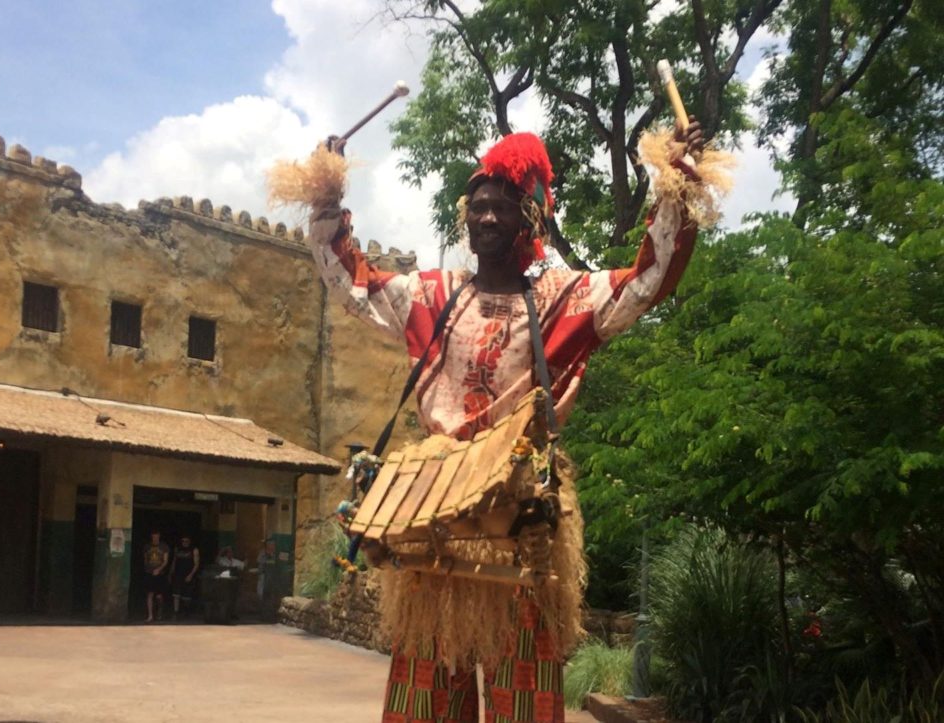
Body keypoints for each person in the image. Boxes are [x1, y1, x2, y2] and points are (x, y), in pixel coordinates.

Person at [297, 118, 707, 722]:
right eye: (478, 207)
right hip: (431, 517)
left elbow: (647, 281)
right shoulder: (431, 295)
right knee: (426, 696)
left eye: (503, 208)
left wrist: (675, 183)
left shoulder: (564, 299)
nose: (486, 219)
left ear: (532, 219)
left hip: (522, 522)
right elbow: (353, 282)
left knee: (524, 696)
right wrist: (328, 195)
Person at [169, 533, 200, 617]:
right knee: (176, 594)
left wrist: (191, 575)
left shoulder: (194, 550)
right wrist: (171, 572)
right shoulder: (177, 549)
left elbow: (196, 564)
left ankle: (186, 611)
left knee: (187, 596)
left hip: (188, 574)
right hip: (178, 574)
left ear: (189, 541)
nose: (184, 542)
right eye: (183, 541)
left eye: (186, 541)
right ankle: (176, 612)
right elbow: (174, 561)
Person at [142, 529, 170, 623]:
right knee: (149, 594)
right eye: (153, 536)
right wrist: (148, 569)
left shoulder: (164, 547)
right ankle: (150, 616)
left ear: (159, 536)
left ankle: (159, 612)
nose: (155, 538)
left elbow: (166, 561)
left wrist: (159, 569)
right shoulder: (147, 547)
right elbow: (145, 559)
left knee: (159, 596)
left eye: (156, 536)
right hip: (149, 573)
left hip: (160, 574)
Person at [255, 538, 277, 604]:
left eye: (274, 545)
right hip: (263, 574)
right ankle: (261, 603)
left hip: (272, 575)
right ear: (268, 545)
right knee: (261, 592)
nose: (273, 546)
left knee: (270, 591)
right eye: (272, 545)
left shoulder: (275, 554)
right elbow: (259, 561)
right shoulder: (262, 553)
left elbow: (277, 563)